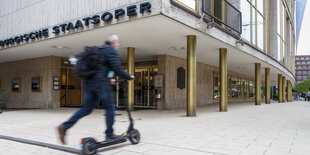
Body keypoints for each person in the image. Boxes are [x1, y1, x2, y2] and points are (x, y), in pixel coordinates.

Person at [57, 34, 134, 145]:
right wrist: (129, 76)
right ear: (113, 42)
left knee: (87, 108)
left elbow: (100, 69)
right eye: (117, 43)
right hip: (101, 84)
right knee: (110, 107)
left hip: (89, 84)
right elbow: (117, 68)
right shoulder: (110, 51)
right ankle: (109, 134)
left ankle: (65, 126)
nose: (117, 45)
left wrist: (109, 78)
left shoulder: (97, 51)